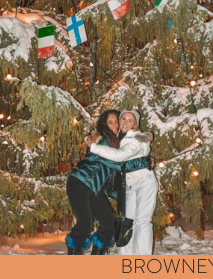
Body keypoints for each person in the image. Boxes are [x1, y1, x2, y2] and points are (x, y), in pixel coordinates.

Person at [65, 109, 152, 255]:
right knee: (85, 224)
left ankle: (98, 256)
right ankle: (73, 253)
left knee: (108, 224)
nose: (115, 125)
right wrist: (145, 162)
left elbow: (113, 175)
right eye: (110, 122)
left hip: (94, 188)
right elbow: (120, 164)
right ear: (104, 125)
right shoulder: (104, 141)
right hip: (79, 182)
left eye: (116, 121)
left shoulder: (115, 142)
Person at [90, 108, 158, 255]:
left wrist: (94, 147)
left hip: (144, 182)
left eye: (130, 120)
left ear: (135, 124)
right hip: (128, 186)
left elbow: (120, 156)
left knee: (142, 222)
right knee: (126, 222)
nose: (125, 122)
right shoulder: (117, 139)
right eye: (123, 119)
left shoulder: (137, 138)